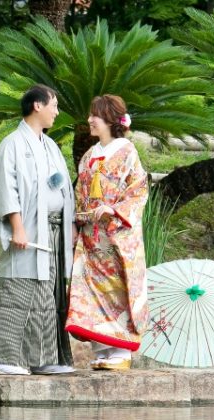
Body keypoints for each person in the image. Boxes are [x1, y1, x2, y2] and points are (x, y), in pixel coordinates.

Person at [0, 84, 76, 376]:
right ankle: (8, 358)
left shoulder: (50, 146)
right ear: (37, 105)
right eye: (54, 105)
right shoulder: (12, 143)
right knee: (19, 292)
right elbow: (5, 188)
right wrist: (17, 228)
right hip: (29, 232)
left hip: (54, 232)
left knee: (50, 295)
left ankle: (44, 358)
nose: (57, 112)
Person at [65, 94, 149, 371]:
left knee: (115, 290)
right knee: (89, 289)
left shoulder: (127, 151)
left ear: (111, 120)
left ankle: (121, 350)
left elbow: (138, 192)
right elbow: (80, 193)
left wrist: (114, 210)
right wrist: (79, 222)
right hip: (91, 235)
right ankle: (102, 348)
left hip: (115, 236)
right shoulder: (90, 155)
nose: (89, 120)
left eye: (95, 116)